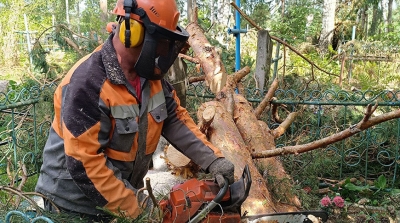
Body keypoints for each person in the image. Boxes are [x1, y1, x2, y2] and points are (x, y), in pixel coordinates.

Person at [35, 0, 235, 221]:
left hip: (124, 194)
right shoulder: (87, 82)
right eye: (159, 41)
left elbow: (176, 120)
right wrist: (141, 209)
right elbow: (85, 162)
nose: (162, 50)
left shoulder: (150, 77)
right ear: (131, 32)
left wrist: (213, 159)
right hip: (74, 205)